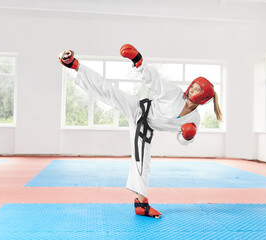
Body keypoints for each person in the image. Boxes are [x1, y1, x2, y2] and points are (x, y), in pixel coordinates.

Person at [58, 44, 222, 218]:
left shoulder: (194, 119)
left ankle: (141, 204)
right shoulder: (175, 93)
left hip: (145, 127)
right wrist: (137, 60)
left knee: (143, 161)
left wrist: (187, 136)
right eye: (193, 85)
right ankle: (75, 65)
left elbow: (182, 140)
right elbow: (155, 80)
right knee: (110, 91)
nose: (192, 89)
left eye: (197, 89)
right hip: (139, 109)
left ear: (203, 97)